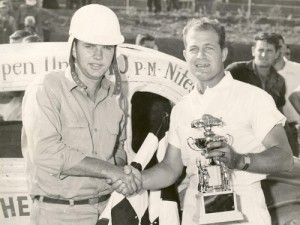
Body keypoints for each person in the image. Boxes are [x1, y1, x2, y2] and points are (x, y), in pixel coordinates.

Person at [121, 17, 294, 225]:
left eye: (208, 48)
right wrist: (135, 180)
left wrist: (240, 161)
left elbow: (284, 157)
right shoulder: (181, 108)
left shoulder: (253, 98)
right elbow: (170, 168)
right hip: (196, 215)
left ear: (223, 53)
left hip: (246, 215)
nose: (200, 56)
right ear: (185, 55)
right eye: (193, 49)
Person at [21, 4, 141, 225]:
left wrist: (121, 172)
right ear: (73, 49)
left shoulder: (114, 97)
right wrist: (111, 171)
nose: (98, 56)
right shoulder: (46, 88)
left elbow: (119, 149)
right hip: (59, 214)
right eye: (89, 46)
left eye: (106, 47)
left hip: (107, 212)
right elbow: (46, 153)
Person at [226, 32, 286, 113]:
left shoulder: (279, 81)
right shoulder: (236, 70)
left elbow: (279, 113)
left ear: (276, 54)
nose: (264, 54)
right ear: (253, 51)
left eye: (269, 51)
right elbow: (215, 95)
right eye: (261, 50)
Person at [272, 34, 300, 157]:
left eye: (280, 46)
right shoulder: (261, 71)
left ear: (284, 47)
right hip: (272, 130)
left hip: (294, 128)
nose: (277, 50)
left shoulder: (297, 69)